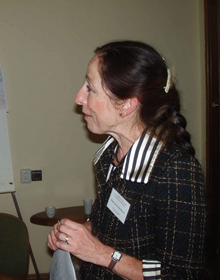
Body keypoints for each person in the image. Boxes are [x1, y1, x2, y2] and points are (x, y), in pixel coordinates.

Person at [48, 41, 206, 279]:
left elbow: (180, 275)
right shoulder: (109, 156)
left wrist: (100, 254)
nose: (79, 97)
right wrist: (81, 232)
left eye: (90, 88)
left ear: (127, 104)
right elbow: (116, 227)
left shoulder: (176, 171)